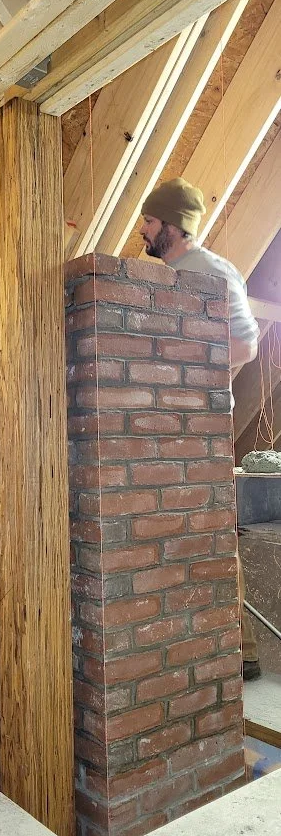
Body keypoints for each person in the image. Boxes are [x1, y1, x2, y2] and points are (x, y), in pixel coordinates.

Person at [139, 177, 260, 681]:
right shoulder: (172, 273)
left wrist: (192, 377)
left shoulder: (207, 270)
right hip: (172, 420)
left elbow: (246, 346)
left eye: (149, 221)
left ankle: (243, 651)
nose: (142, 230)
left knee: (209, 533)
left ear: (172, 226)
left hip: (199, 423)